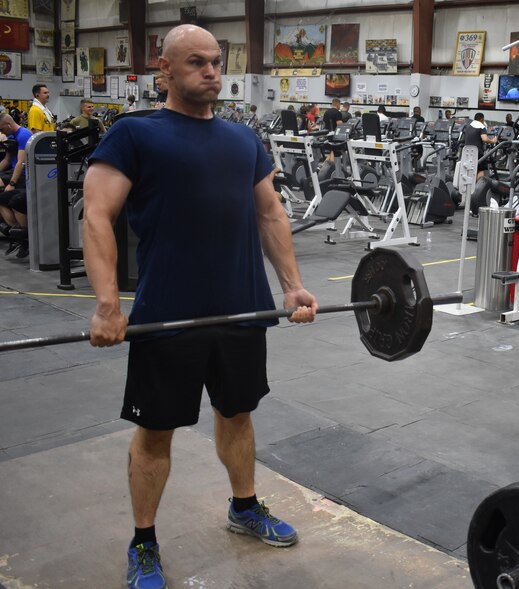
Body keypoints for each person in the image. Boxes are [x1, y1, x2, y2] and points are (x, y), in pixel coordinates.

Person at [82, 24, 318, 589]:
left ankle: (244, 507)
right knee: (156, 432)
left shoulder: (243, 140)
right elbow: (96, 216)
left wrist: (291, 285)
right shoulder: (134, 135)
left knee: (238, 415)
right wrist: (109, 306)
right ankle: (144, 542)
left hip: (240, 310)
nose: (211, 72)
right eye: (196, 63)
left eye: (215, 62)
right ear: (165, 70)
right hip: (167, 314)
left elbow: (269, 214)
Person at [0, 113, 33, 258]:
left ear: (8, 125)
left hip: (24, 175)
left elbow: (21, 163)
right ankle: (16, 234)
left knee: (15, 200)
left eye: (2, 129)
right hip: (13, 172)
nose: (2, 133)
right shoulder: (12, 137)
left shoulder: (24, 134)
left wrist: (12, 184)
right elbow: (7, 160)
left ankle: (24, 237)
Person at [463, 112, 498, 179]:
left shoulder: (468, 126)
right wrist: (493, 141)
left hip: (467, 151)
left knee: (470, 168)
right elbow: (484, 139)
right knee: (480, 169)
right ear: (482, 119)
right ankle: (479, 186)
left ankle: (470, 186)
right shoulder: (481, 126)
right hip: (477, 151)